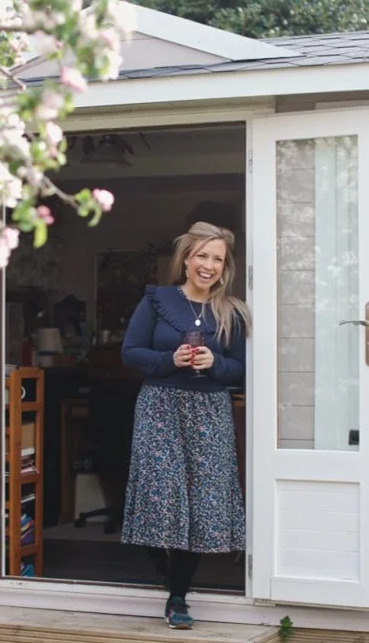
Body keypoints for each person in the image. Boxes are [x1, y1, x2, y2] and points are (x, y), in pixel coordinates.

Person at [121, 221, 250, 630]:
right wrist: (166, 362)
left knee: (200, 502)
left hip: (209, 412)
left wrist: (216, 365)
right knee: (161, 492)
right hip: (160, 406)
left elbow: (241, 370)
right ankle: (162, 563)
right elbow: (130, 352)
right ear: (187, 259)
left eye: (217, 259)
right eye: (202, 256)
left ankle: (178, 596)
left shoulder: (232, 311)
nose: (208, 265)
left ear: (224, 266)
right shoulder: (157, 301)